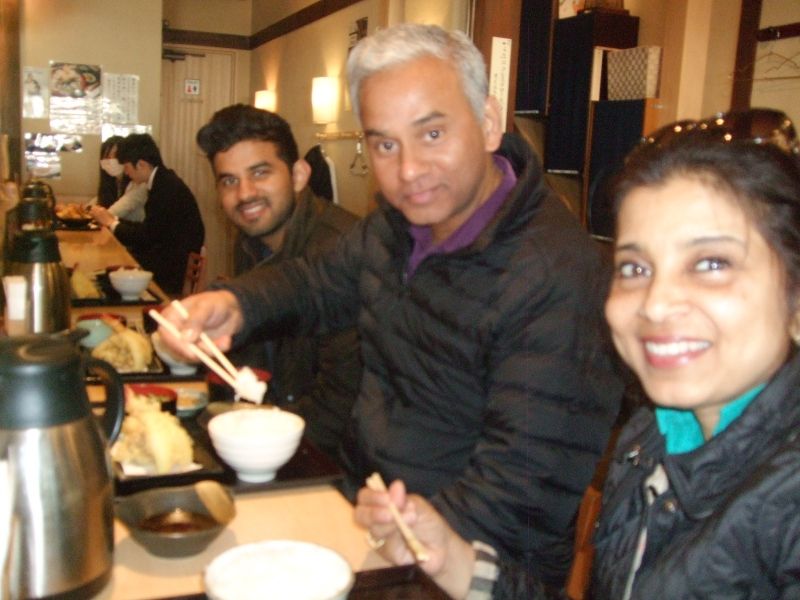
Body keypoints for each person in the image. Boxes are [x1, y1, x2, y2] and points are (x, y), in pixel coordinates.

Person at [157, 23, 621, 589]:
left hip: (466, 567)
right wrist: (234, 303)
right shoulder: (394, 226)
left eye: (431, 134)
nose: (407, 171)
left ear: (489, 122)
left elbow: (524, 490)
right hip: (368, 508)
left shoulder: (558, 274)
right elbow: (314, 282)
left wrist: (383, 550)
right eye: (384, 143)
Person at [356, 108, 800, 599]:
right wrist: (457, 561)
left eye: (711, 263)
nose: (655, 303)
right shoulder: (648, 441)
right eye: (634, 267)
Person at [194, 104, 362, 462]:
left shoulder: (340, 251)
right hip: (271, 429)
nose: (245, 193)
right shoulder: (251, 242)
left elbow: (340, 406)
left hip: (325, 462)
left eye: (260, 172)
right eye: (229, 180)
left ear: (299, 175)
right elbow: (254, 357)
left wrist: (253, 443)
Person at [92, 133, 205, 296]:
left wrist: (112, 224)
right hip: (167, 258)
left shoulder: (165, 187)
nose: (127, 173)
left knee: (110, 271)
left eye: (127, 167)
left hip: (171, 269)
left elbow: (147, 236)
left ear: (142, 164)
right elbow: (150, 228)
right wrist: (114, 220)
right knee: (111, 266)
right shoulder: (162, 181)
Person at [90, 136, 147, 222]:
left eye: (115, 155)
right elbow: (97, 202)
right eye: (107, 157)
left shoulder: (139, 184)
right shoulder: (115, 183)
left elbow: (112, 213)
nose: (111, 160)